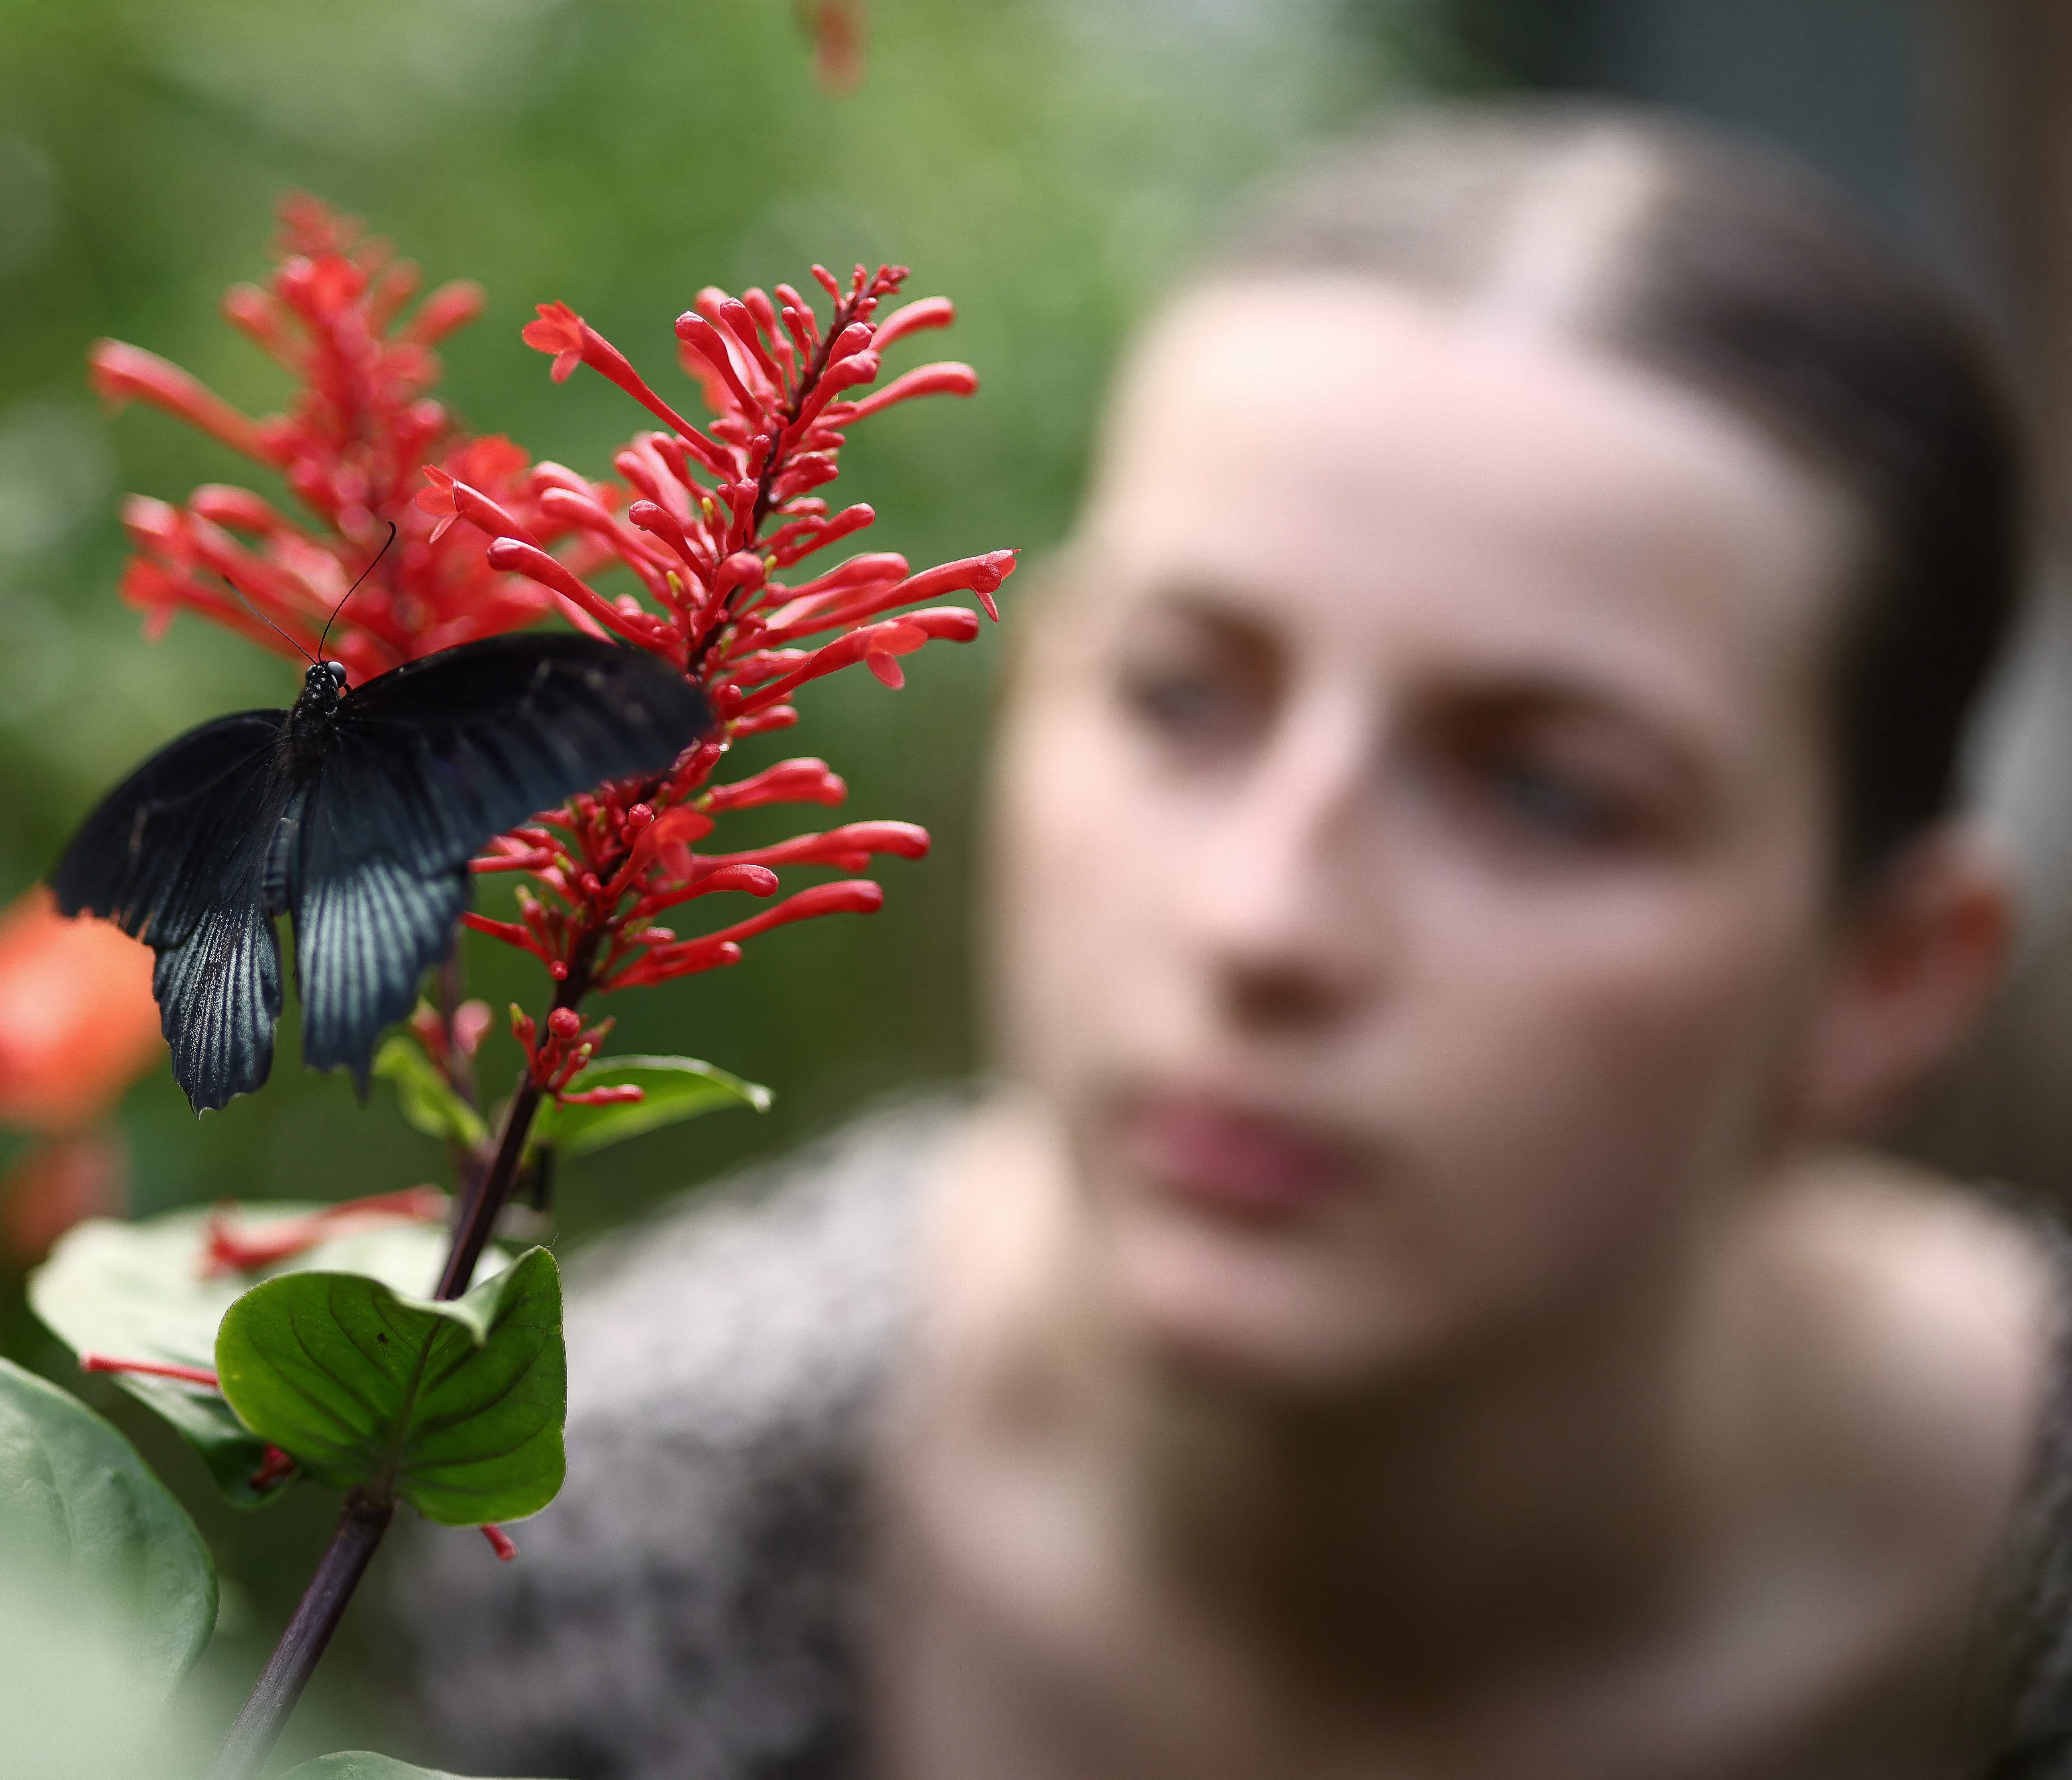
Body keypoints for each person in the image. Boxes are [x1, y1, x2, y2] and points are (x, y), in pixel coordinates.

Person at [397, 101, 2072, 1780]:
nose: (1260, 919)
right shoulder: (617, 1512)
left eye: (1547, 794)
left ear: (1886, 975)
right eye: (1179, 694)